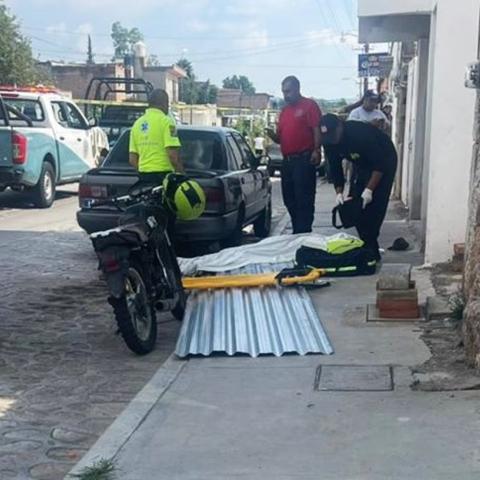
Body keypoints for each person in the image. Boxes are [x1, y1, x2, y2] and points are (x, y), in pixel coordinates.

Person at [321, 113, 398, 261]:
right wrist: (339, 193)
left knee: (375, 204)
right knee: (356, 205)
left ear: (339, 126)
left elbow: (379, 164)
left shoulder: (359, 134)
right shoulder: (329, 141)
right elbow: (335, 169)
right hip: (362, 164)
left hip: (385, 160)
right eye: (328, 136)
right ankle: (368, 246)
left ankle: (370, 248)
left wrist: (369, 190)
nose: (331, 139)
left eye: (333, 134)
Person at [266, 76, 322, 234]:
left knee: (303, 199)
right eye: (284, 92)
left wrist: (317, 149)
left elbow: (316, 129)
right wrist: (272, 135)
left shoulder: (309, 106)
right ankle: (297, 229)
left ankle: (303, 232)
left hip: (304, 159)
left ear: (297, 89)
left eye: (288, 91)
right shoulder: (284, 112)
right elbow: (281, 137)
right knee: (289, 198)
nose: (286, 95)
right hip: (288, 162)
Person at [129, 88, 184, 186]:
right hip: (164, 177)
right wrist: (182, 176)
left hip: (143, 178)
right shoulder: (167, 122)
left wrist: (145, 171)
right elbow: (173, 156)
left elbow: (132, 160)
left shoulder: (136, 125)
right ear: (164, 103)